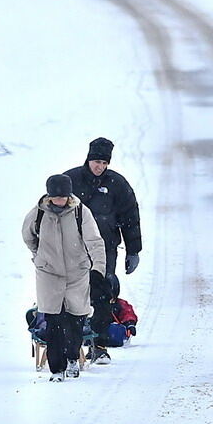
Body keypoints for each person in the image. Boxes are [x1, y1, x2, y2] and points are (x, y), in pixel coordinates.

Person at [64, 137, 142, 363]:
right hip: (73, 248)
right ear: (88, 159)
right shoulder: (70, 180)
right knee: (74, 295)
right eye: (96, 161)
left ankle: (98, 345)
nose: (100, 167)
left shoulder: (117, 184)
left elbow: (130, 218)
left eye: (104, 163)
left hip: (105, 248)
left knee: (103, 294)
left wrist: (133, 250)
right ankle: (73, 344)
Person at [22, 174, 106, 382]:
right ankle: (56, 369)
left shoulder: (80, 212)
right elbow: (28, 236)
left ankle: (72, 359)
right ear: (49, 196)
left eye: (63, 197)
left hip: (77, 273)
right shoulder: (38, 214)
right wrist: (40, 256)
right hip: (48, 274)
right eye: (56, 197)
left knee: (76, 319)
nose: (60, 201)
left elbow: (94, 241)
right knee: (53, 320)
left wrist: (98, 270)